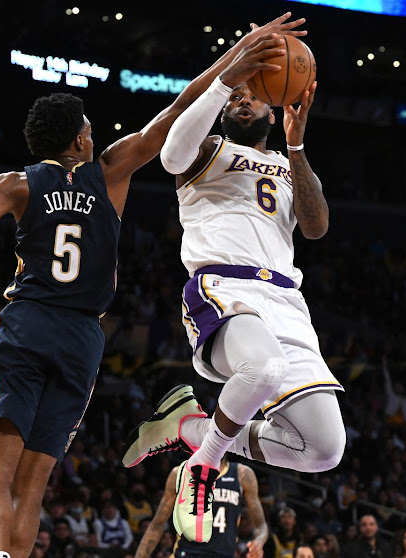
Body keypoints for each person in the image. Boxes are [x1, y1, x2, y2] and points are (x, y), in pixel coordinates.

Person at [0, 12, 306, 558]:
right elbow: (173, 115)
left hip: (26, 326)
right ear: (79, 139)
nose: (96, 134)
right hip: (81, 339)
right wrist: (231, 64)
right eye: (90, 128)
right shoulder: (110, 171)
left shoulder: (17, 185)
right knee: (34, 481)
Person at [119, 16, 346, 544]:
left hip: (287, 302)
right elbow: (171, 152)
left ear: (274, 103)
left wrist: (297, 145)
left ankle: (191, 427)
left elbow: (315, 227)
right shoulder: (208, 151)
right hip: (223, 288)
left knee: (323, 450)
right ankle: (203, 465)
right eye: (236, 95)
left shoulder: (290, 165)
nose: (243, 100)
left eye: (252, 94)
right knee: (261, 366)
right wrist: (227, 74)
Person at [134, 455, 268, 558]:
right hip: (187, 553)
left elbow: (260, 525)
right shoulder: (180, 474)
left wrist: (259, 542)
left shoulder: (242, 474)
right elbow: (157, 524)